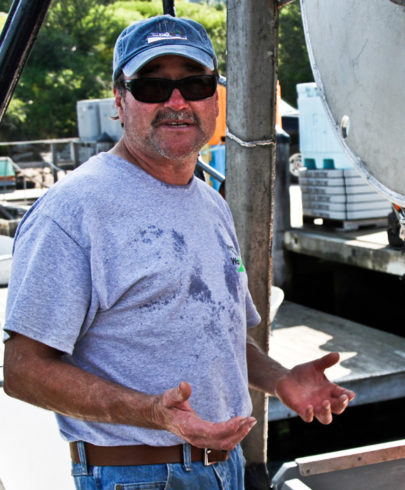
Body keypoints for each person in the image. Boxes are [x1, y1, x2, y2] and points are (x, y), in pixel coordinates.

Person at [1, 15, 354, 489]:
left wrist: (281, 378)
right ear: (120, 102)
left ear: (215, 99)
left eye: (195, 83)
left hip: (222, 467)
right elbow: (22, 371)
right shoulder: (73, 210)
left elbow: (214, 337)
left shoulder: (210, 202)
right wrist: (153, 413)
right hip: (137, 474)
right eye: (151, 86)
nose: (176, 102)